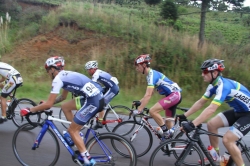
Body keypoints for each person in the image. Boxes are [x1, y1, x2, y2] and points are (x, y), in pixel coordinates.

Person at [20, 56, 104, 166]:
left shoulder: (57, 80)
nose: (47, 73)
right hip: (96, 97)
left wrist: (30, 109)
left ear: (52, 69)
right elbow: (62, 98)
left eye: (47, 70)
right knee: (65, 107)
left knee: (72, 131)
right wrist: (46, 103)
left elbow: (49, 105)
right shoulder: (65, 75)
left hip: (93, 101)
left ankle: (87, 159)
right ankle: (78, 135)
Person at [178, 59, 249, 166]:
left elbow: (211, 109)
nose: (202, 75)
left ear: (214, 73)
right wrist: (184, 116)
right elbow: (201, 102)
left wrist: (193, 124)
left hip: (248, 114)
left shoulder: (223, 86)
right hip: (238, 111)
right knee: (211, 124)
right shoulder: (213, 85)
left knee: (227, 140)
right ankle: (215, 155)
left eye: (205, 72)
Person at [133, 54, 182, 140]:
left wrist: (139, 109)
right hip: (172, 95)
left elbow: (148, 95)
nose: (137, 69)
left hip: (174, 95)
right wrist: (140, 102)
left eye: (138, 66)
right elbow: (150, 94)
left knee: (153, 111)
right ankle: (169, 144)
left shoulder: (151, 75)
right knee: (168, 122)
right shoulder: (149, 75)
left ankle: (166, 133)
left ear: (144, 65)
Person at [85, 60, 119, 130]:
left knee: (101, 103)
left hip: (113, 89)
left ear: (93, 69)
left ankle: (100, 122)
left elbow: (92, 86)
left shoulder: (96, 75)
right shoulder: (98, 72)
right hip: (109, 87)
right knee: (98, 98)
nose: (88, 72)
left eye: (88, 70)